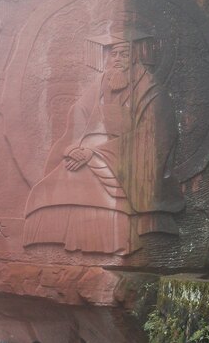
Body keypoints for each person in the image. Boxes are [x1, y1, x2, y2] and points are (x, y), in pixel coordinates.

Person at [23, 31, 184, 254]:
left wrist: (95, 154)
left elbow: (153, 138)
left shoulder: (152, 93)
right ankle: (56, 239)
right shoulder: (101, 84)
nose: (117, 59)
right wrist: (73, 148)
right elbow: (78, 119)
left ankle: (111, 242)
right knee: (55, 185)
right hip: (89, 154)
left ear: (135, 58)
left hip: (127, 163)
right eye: (113, 54)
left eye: (124, 54)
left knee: (87, 183)